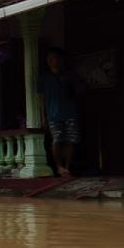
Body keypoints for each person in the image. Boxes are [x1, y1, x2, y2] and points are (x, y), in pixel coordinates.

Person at [40, 47, 81, 178]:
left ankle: (67, 168)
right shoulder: (44, 78)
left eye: (55, 58)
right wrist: (43, 117)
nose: (53, 61)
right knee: (57, 140)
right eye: (50, 59)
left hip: (70, 112)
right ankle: (59, 166)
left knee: (70, 140)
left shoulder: (69, 75)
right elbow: (41, 99)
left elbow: (79, 90)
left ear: (61, 59)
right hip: (53, 114)